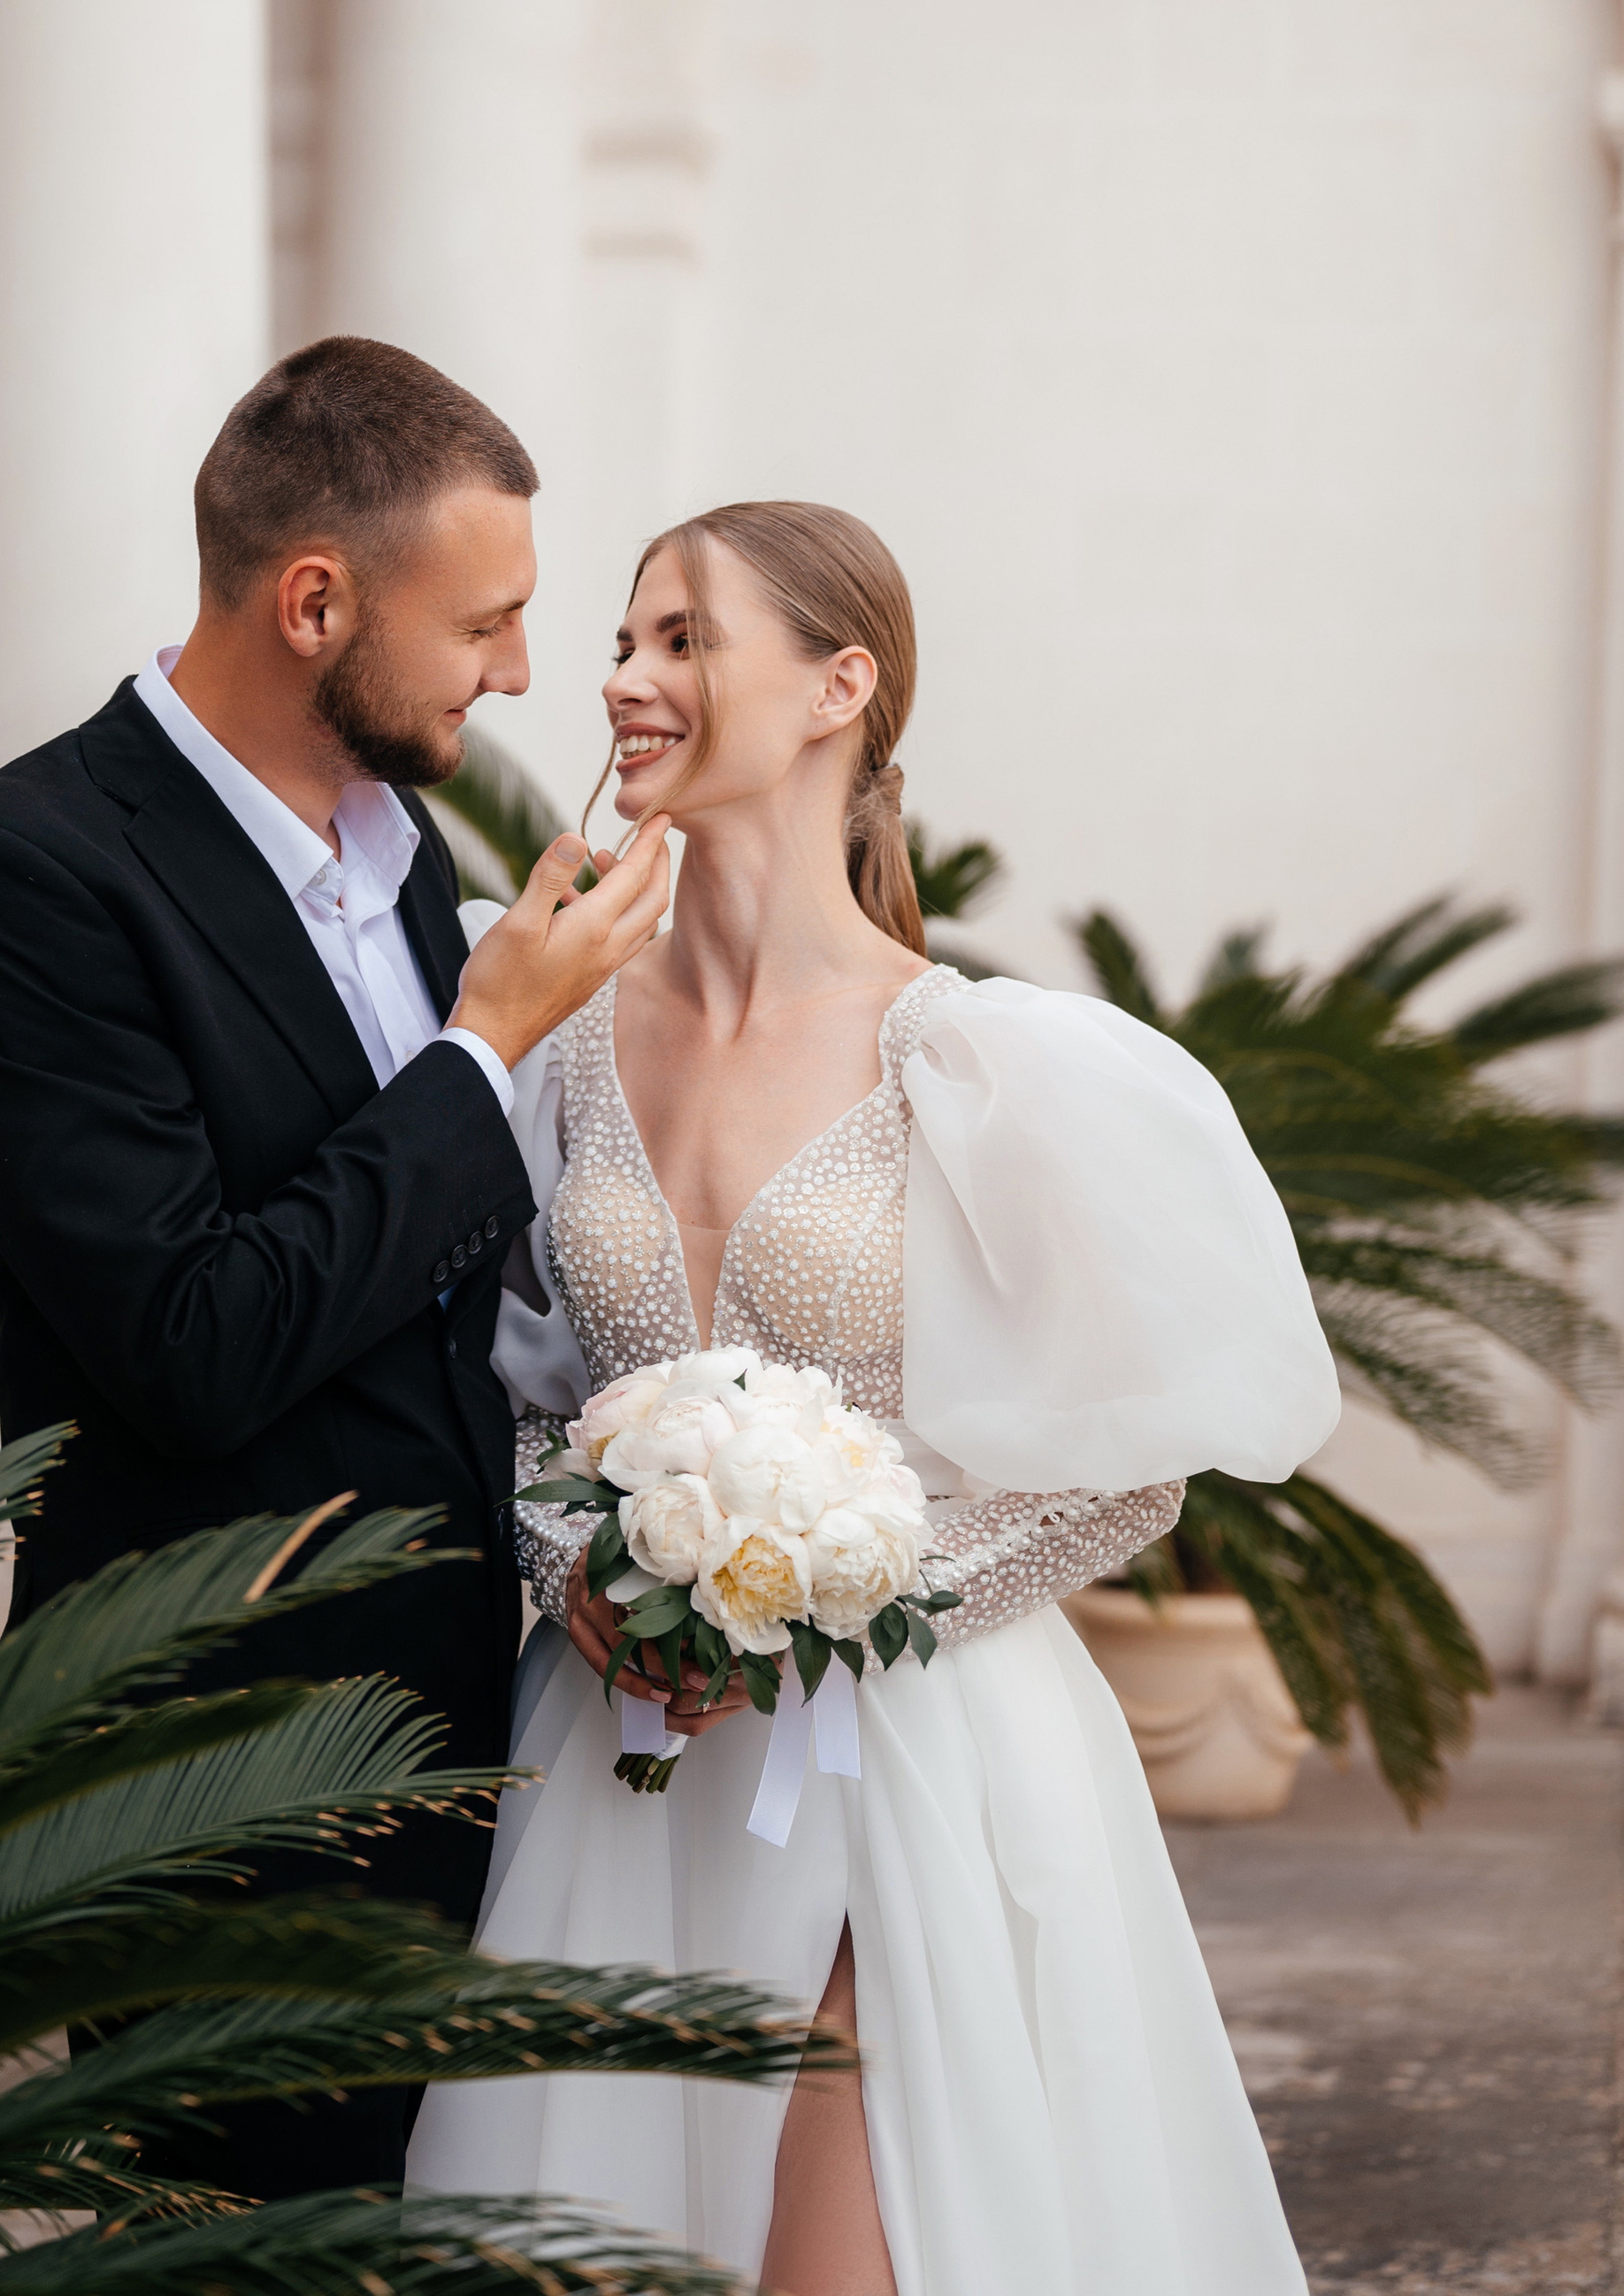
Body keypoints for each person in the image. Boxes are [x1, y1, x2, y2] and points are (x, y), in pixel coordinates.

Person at [408, 501, 1340, 2296]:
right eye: (623, 638)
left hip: (911, 1759)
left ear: (841, 685)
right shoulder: (553, 1035)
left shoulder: (980, 1062)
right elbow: (512, 1393)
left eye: (681, 638)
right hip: (620, 1767)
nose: (621, 678)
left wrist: (836, 1601)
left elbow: (1124, 1476)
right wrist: (567, 1566)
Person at [0, 336, 672, 2200]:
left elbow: (444, 1302)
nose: (518, 675)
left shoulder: (405, 854)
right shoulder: (21, 875)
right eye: (481, 622)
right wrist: (483, 1055)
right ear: (313, 600)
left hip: (473, 1732)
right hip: (216, 1760)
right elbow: (191, 1337)